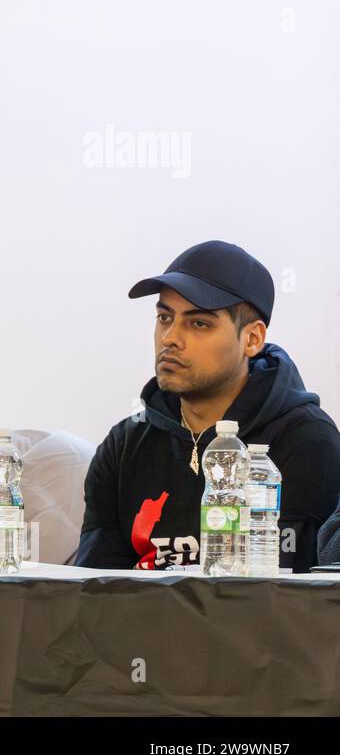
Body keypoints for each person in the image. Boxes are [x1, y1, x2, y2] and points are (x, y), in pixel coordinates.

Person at [74, 241, 340, 572]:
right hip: (138, 623)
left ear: (252, 339)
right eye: (164, 317)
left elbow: (300, 596)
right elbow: (93, 589)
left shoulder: (307, 441)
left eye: (198, 323)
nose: (170, 337)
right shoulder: (125, 443)